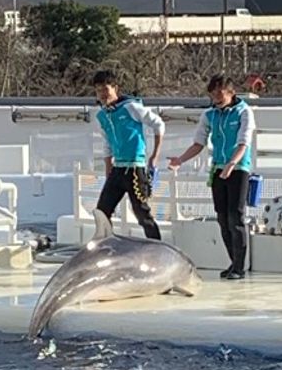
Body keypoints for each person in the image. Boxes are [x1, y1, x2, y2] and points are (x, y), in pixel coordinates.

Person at [168, 73, 256, 280]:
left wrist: (232, 164)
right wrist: (180, 159)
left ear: (231, 93)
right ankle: (232, 261)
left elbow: (243, 143)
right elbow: (199, 143)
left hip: (238, 168)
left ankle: (239, 267)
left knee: (236, 217)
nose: (216, 97)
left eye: (220, 93)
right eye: (213, 94)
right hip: (217, 168)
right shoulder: (209, 115)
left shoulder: (244, 112)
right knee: (222, 218)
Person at [93, 68, 164, 240]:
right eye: (98, 90)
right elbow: (107, 144)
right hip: (118, 169)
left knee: (142, 213)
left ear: (115, 88)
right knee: (102, 210)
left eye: (105, 89)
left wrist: (154, 155)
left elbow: (158, 124)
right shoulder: (102, 115)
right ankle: (105, 245)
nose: (102, 94)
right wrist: (108, 166)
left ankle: (156, 248)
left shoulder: (131, 107)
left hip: (134, 168)